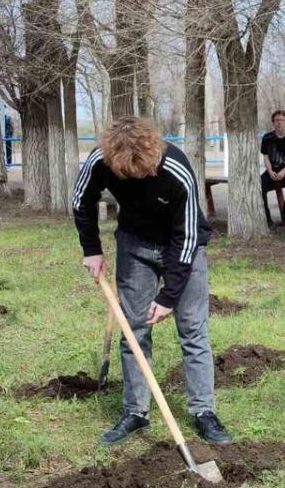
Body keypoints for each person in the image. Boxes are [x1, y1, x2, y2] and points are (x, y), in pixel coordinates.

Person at [73, 116, 233, 447]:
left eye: (147, 170)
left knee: (193, 330)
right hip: (134, 244)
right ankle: (135, 412)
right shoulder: (99, 161)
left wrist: (168, 296)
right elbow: (81, 202)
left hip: (182, 247)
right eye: (135, 173)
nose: (144, 176)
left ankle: (204, 412)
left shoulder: (176, 169)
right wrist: (92, 249)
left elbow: (187, 238)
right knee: (133, 330)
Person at [260, 110, 285, 227]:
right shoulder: (267, 137)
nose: (278, 123)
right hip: (273, 169)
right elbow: (265, 157)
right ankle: (267, 219)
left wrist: (284, 171)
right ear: (273, 122)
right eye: (276, 120)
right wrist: (270, 171)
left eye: (281, 120)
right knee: (259, 186)